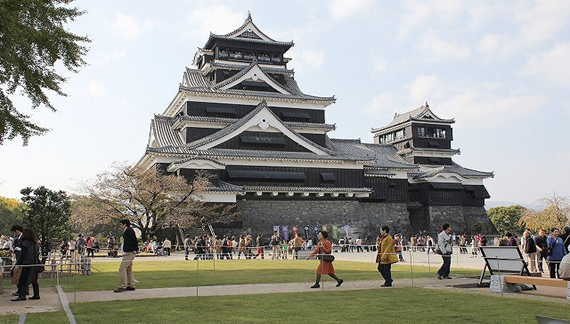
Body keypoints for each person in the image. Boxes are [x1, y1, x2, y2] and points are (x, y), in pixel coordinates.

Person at [12, 228, 41, 301]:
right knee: (34, 280)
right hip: (34, 264)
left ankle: (22, 295)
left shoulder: (24, 244)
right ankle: (36, 294)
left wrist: (18, 264)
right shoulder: (35, 244)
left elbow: (22, 255)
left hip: (26, 264)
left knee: (22, 280)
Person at [114, 219, 138, 293]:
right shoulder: (128, 231)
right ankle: (131, 285)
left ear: (125, 224)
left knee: (122, 268)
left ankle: (122, 286)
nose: (120, 226)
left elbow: (134, 240)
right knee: (128, 269)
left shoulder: (128, 230)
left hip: (129, 252)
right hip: (128, 252)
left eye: (121, 224)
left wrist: (134, 249)